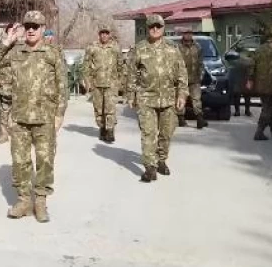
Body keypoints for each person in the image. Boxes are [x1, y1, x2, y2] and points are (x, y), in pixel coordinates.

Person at [0, 10, 67, 223]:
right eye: (28, 26)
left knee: (45, 161)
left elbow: (63, 85)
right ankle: (24, 201)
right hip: (20, 118)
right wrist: (7, 41)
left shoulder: (52, 53)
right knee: (20, 162)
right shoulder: (16, 52)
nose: (31, 30)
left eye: (36, 26)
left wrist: (59, 114)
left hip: (45, 118)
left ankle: (40, 202)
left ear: (43, 29)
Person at [126, 14, 188, 183]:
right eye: (152, 26)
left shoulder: (172, 48)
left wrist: (182, 94)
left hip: (168, 99)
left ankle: (161, 160)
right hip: (146, 98)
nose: (155, 29)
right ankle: (150, 168)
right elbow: (130, 73)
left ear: (163, 28)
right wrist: (131, 95)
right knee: (148, 133)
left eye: (158, 26)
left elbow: (182, 74)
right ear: (147, 28)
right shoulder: (139, 49)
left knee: (166, 133)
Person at [81, 25, 123, 143]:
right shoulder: (92, 48)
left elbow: (121, 65)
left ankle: (110, 130)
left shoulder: (115, 48)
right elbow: (86, 65)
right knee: (99, 109)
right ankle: (102, 127)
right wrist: (87, 81)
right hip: (96, 84)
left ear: (109, 34)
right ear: (99, 34)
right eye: (102, 33)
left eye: (106, 33)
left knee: (110, 108)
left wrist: (120, 82)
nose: (104, 35)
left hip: (111, 84)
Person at [246, 28, 272, 141]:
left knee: (267, 106)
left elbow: (251, 65)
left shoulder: (260, 49)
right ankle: (259, 132)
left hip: (260, 84)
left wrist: (250, 79)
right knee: (268, 108)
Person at [0, 23, 18, 143]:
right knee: (4, 111)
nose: (12, 33)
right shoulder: (1, 48)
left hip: (19, 86)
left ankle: (15, 131)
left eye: (15, 31)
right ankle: (4, 134)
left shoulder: (20, 47)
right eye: (10, 31)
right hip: (5, 85)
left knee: (18, 110)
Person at [177, 29, 208, 129]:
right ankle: (181, 119)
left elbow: (201, 63)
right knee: (181, 98)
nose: (188, 35)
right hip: (181, 79)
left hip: (195, 79)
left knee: (196, 99)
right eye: (186, 33)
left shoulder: (197, 47)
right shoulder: (177, 47)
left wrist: (201, 75)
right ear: (183, 34)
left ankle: (199, 119)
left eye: (190, 33)